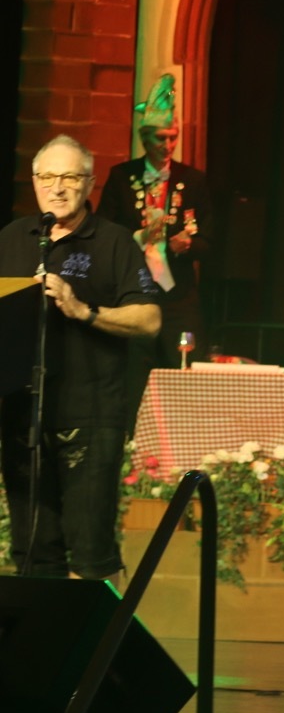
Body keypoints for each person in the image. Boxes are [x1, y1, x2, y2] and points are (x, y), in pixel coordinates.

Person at [0, 135, 159, 580]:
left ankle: (98, 627)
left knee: (91, 554)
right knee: (32, 553)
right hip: (23, 416)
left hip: (90, 416)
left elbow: (149, 319)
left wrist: (82, 309)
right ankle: (39, 628)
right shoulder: (12, 239)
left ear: (89, 183)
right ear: (34, 181)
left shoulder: (113, 241)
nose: (57, 187)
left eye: (70, 177)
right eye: (47, 177)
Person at [97, 74, 213, 424]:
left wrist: (186, 244)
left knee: (183, 374)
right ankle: (133, 442)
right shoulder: (121, 177)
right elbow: (102, 236)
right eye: (161, 138)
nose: (168, 145)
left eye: (173, 137)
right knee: (134, 376)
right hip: (134, 295)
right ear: (144, 138)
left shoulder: (193, 180)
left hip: (179, 298)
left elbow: (210, 242)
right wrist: (138, 237)